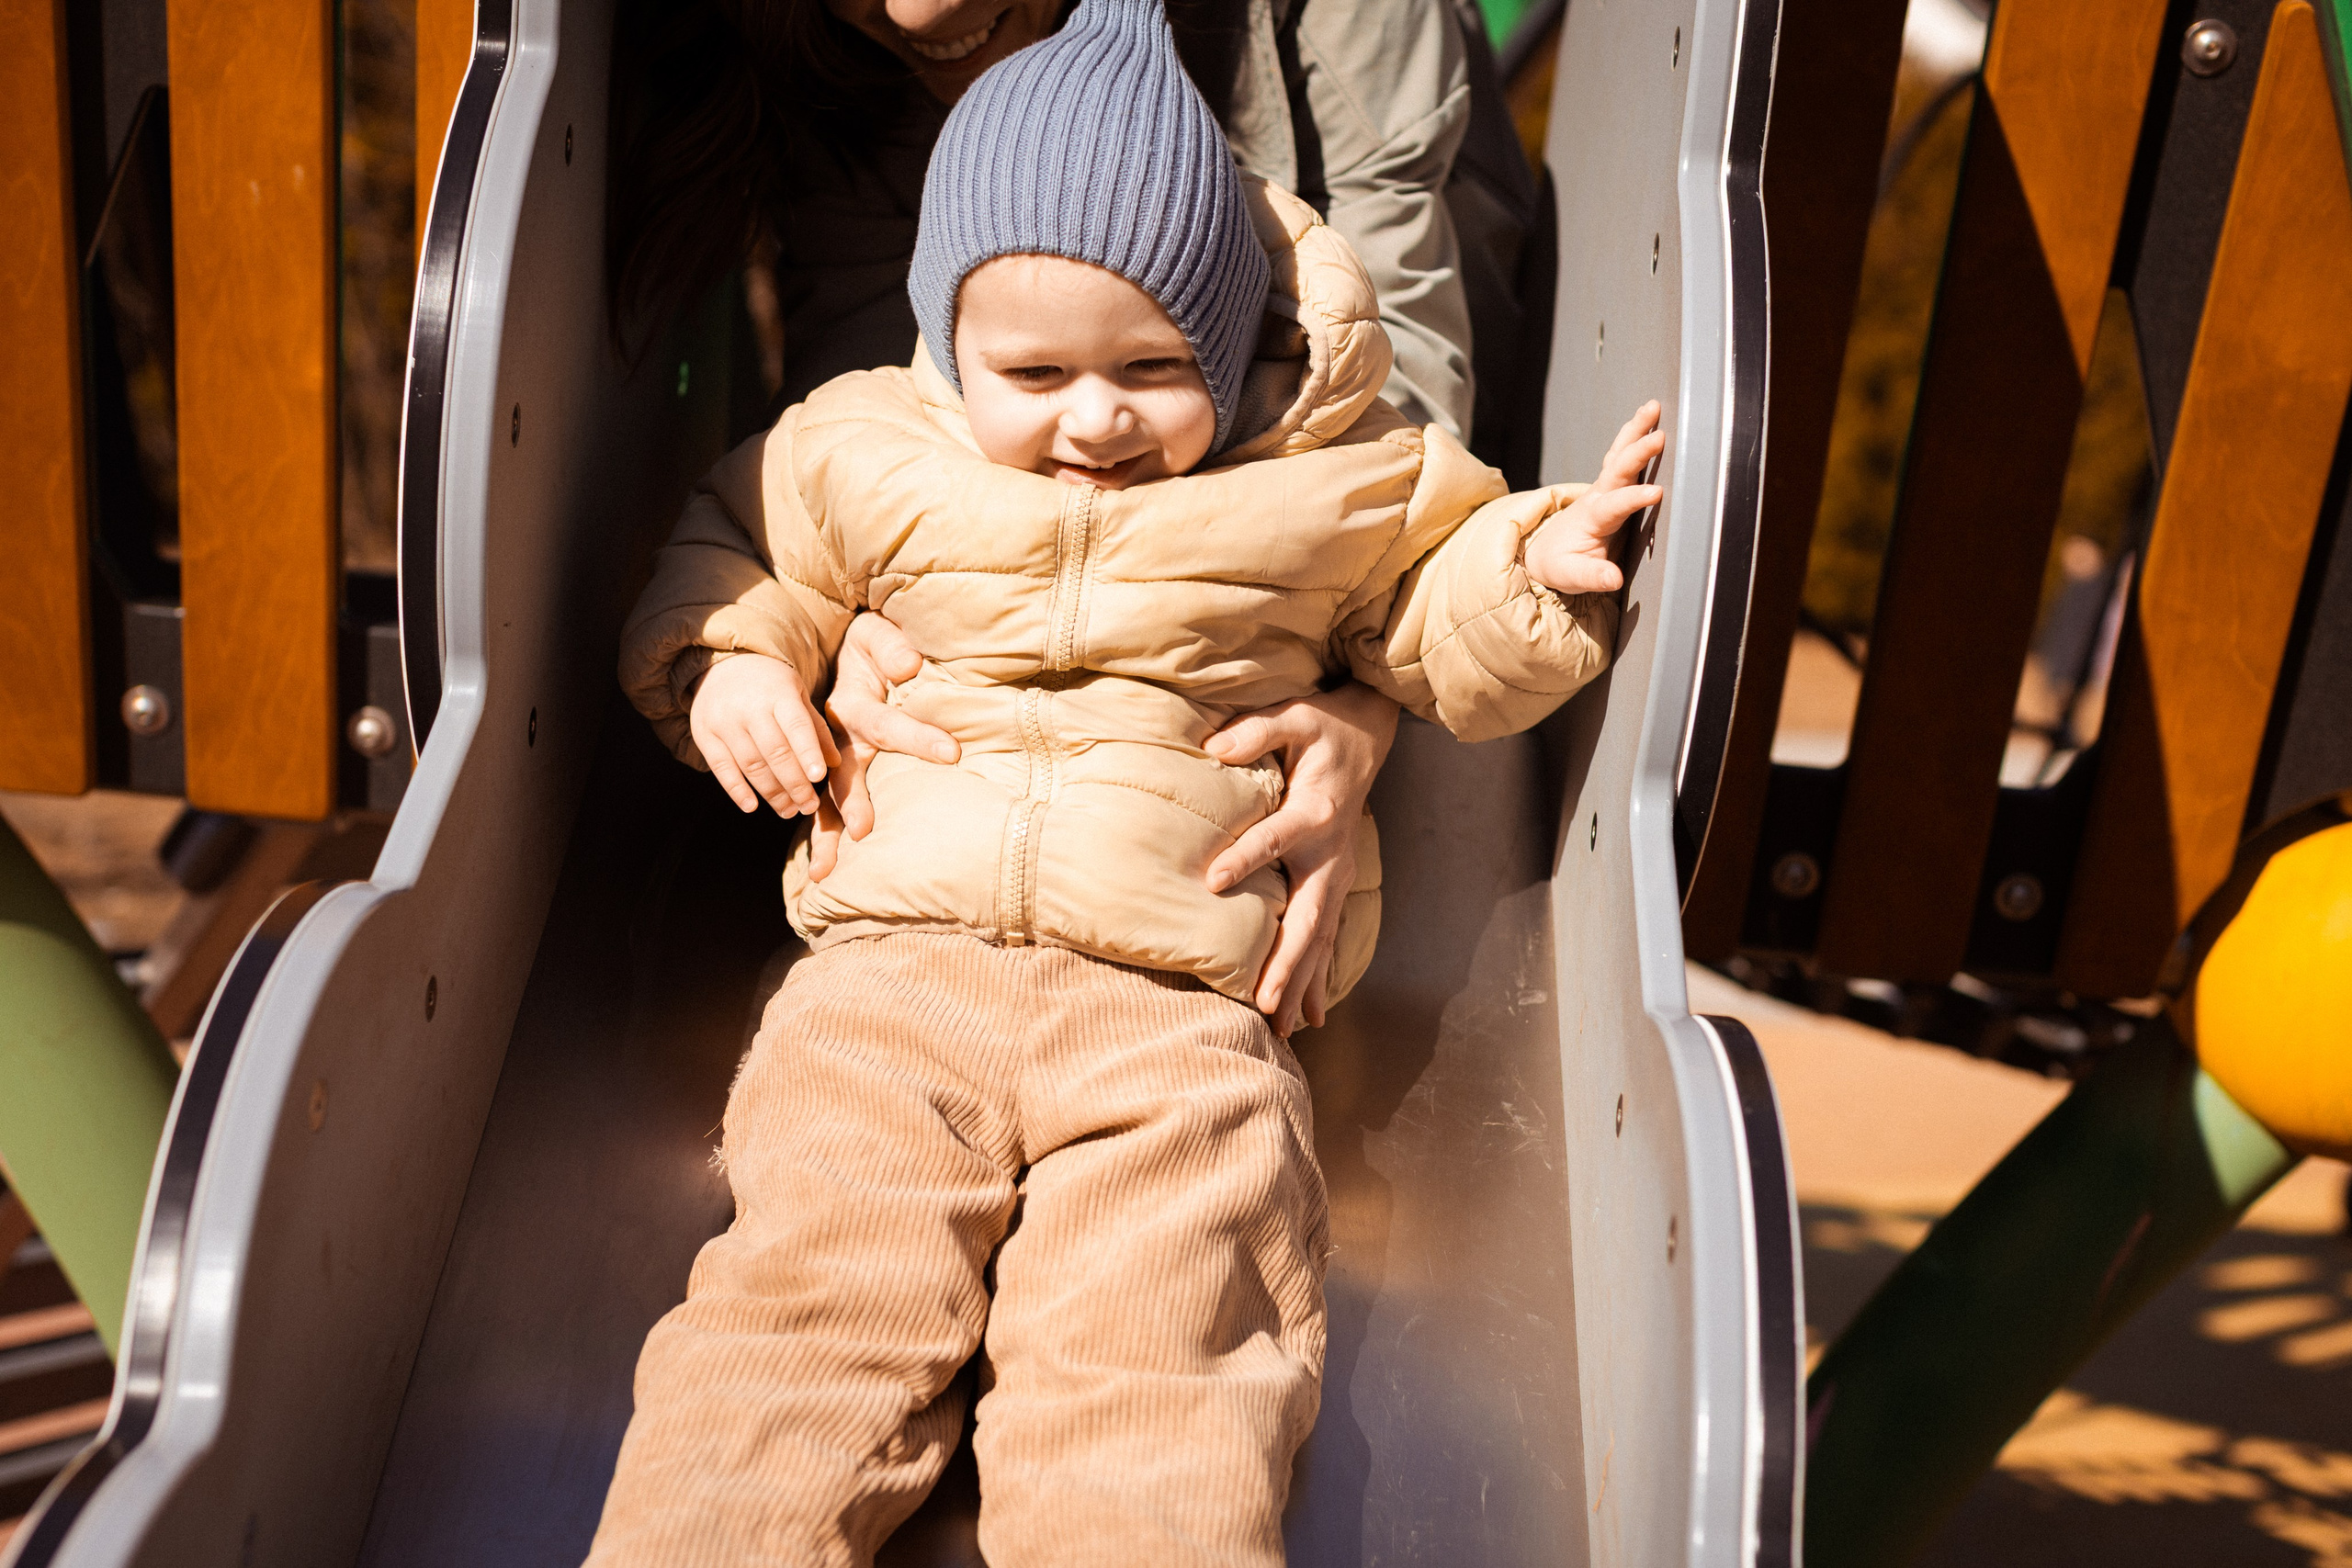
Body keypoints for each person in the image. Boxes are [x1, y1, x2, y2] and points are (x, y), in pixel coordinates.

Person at [588, 3, 1661, 1562]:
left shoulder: (1310, 479)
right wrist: (739, 667)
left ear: (1231, 352)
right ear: (949, 339)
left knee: (1164, 1350)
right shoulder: (869, 444)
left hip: (1179, 1003)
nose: (1094, 420)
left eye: (1156, 368)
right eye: (1034, 369)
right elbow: (737, 549)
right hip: (892, 982)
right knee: (804, 1306)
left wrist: (1535, 573)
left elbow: (1431, 587)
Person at [610, 0, 1532, 1036]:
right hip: (920, 904)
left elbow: (1391, 431)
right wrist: (832, 623)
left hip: (1220, 756)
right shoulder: (810, 50)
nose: (917, 13)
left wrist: (1366, 702)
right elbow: (869, 442)